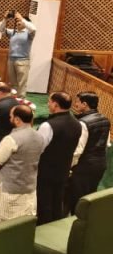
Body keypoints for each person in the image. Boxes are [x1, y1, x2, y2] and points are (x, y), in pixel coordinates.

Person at [36, 92, 85, 224]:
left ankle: (43, 231)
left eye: (49, 101)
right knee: (57, 202)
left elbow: (37, 149)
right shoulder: (77, 124)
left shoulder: (48, 126)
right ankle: (55, 227)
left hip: (45, 172)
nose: (48, 104)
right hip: (63, 170)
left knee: (43, 204)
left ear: (55, 105)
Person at [0, 106, 43, 222]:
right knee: (23, 223)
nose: (10, 119)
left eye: (11, 117)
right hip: (30, 189)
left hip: (9, 191)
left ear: (17, 119)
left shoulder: (11, 139)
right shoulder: (40, 137)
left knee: (4, 226)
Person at [70, 92, 109, 213]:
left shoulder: (83, 123)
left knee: (77, 200)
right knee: (90, 197)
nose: (75, 104)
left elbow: (78, 151)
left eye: (77, 102)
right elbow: (106, 145)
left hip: (84, 166)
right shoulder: (105, 120)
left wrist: (70, 167)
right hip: (100, 164)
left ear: (85, 104)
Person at [3, 10, 35, 93]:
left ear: (26, 23)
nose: (18, 22)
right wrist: (5, 19)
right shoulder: (13, 32)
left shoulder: (29, 33)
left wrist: (22, 18)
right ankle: (14, 99)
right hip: (11, 60)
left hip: (23, 61)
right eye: (17, 21)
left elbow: (33, 28)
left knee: (22, 84)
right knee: (13, 84)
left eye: (20, 21)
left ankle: (21, 100)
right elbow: (1, 30)